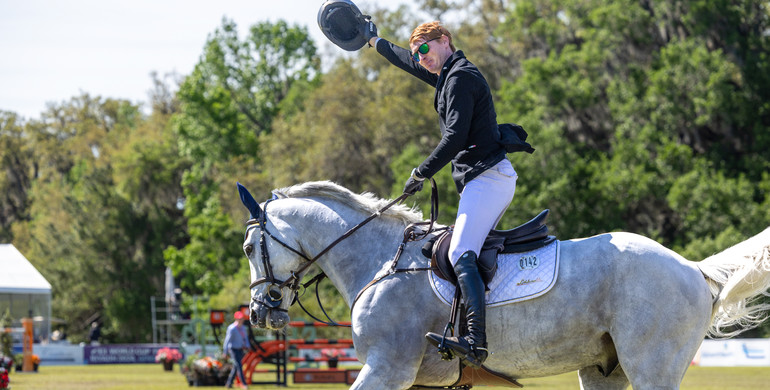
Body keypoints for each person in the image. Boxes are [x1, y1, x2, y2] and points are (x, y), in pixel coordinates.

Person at [365, 21, 518, 368]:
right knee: (464, 250)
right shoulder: (450, 73)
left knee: (461, 250)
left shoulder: (461, 77)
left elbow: (454, 137)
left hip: (488, 178)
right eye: (418, 53)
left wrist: (421, 172)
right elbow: (407, 61)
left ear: (444, 41)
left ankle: (475, 342)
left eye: (425, 50)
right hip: (483, 179)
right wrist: (373, 41)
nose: (421, 59)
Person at [223, 311, 249, 389]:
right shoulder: (232, 328)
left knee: (236, 367)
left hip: (240, 349)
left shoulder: (243, 328)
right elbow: (227, 340)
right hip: (233, 350)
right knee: (239, 366)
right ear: (236, 319)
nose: (242, 320)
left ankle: (229, 383)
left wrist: (247, 345)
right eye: (240, 318)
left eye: (242, 318)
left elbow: (245, 338)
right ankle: (244, 384)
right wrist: (225, 351)